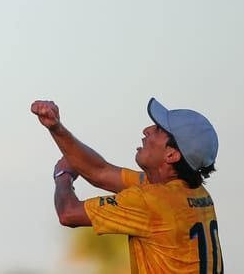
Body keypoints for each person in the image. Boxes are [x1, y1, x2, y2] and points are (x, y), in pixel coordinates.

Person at [30, 97, 223, 273]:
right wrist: (56, 128)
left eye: (158, 129)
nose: (147, 130)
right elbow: (100, 172)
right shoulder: (195, 193)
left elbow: (69, 213)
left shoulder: (151, 200)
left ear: (171, 155)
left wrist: (62, 176)